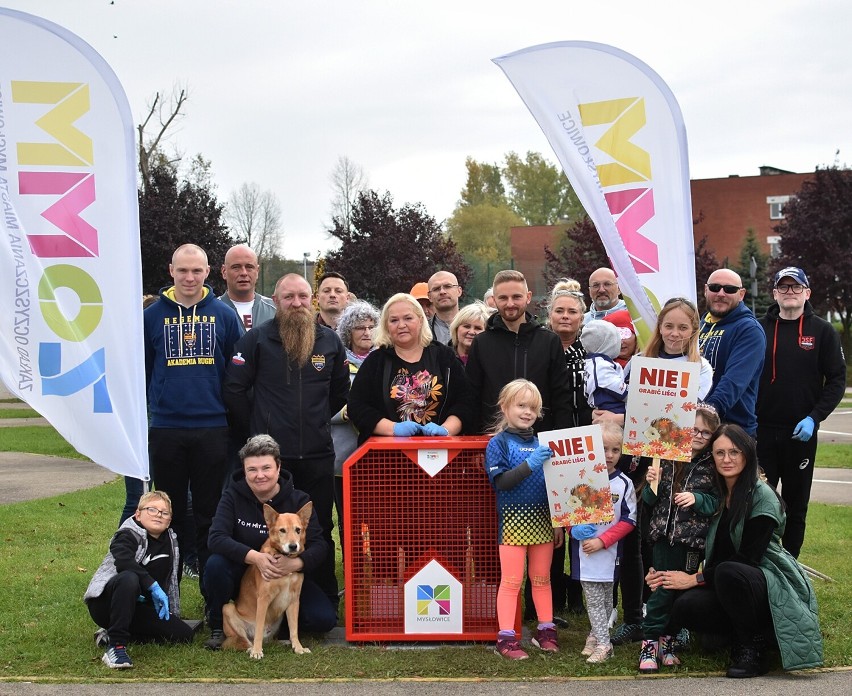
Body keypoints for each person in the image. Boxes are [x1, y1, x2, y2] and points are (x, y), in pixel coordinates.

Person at [224, 273, 350, 611]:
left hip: (317, 454)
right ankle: (255, 599)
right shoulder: (257, 340)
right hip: (272, 460)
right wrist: (255, 430)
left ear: (312, 301)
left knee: (320, 526)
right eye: (288, 297)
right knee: (266, 530)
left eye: (302, 297)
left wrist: (316, 419)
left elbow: (340, 391)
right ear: (276, 301)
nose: (296, 304)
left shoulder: (329, 342)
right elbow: (234, 389)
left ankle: (322, 597)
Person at [662, 424, 823, 678]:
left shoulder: (763, 497)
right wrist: (661, 572)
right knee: (685, 606)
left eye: (734, 452)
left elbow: (748, 558)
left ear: (747, 454)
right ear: (711, 457)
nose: (727, 459)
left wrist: (694, 579)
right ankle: (739, 631)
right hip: (727, 583)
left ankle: (753, 647)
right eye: (720, 453)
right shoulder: (716, 494)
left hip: (766, 583)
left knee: (730, 571)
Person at [465, 270, 574, 619]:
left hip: (544, 452)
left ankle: (543, 612)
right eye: (503, 298)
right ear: (493, 301)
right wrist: (473, 448)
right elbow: (471, 397)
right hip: (497, 450)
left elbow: (562, 398)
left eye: (517, 296)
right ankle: (495, 609)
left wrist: (563, 450)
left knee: (549, 532)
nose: (510, 304)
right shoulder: (482, 343)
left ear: (528, 298)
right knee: (494, 530)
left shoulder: (548, 341)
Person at [143, 243, 243, 598]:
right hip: (166, 427)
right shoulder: (152, 316)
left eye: (196, 271)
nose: (189, 277)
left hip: (212, 427)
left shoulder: (224, 315)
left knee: (209, 513)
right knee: (163, 514)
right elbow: (143, 369)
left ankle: (212, 596)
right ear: (171, 270)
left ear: (208, 272)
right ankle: (166, 594)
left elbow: (237, 371)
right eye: (183, 270)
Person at [203, 435, 337, 650]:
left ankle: (277, 625)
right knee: (215, 565)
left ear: (278, 467)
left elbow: (320, 545)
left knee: (322, 620)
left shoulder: (298, 500)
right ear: (244, 470)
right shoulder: (232, 497)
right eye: (252, 470)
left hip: (288, 573)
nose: (260, 475)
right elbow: (216, 538)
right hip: (242, 572)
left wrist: (296, 564)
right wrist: (256, 558)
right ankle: (219, 625)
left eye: (266, 468)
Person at [757, 267, 846, 558]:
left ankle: (791, 562)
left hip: (801, 433)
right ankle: (760, 560)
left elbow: (836, 380)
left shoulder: (823, 331)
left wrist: (814, 417)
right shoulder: (758, 329)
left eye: (796, 287)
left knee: (796, 504)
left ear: (807, 293)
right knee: (759, 500)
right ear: (774, 294)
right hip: (761, 432)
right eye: (783, 287)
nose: (790, 292)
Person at [637, 404, 720, 673]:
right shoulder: (667, 457)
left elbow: (715, 503)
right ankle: (648, 643)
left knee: (678, 594)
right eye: (693, 429)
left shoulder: (712, 466)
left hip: (691, 542)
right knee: (661, 591)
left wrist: (697, 498)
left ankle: (668, 642)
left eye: (705, 433)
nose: (698, 435)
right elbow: (649, 501)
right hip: (663, 538)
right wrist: (653, 480)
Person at [485, 379, 562, 659]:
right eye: (521, 405)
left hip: (543, 521)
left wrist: (557, 524)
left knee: (542, 579)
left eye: (533, 407)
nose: (527, 412)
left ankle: (545, 631)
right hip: (513, 525)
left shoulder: (545, 443)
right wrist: (531, 464)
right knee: (512, 581)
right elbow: (502, 482)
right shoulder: (498, 443)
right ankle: (505, 639)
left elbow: (556, 488)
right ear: (505, 407)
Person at [85, 491, 193, 669]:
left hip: (139, 607)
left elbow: (172, 580)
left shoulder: (172, 542)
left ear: (169, 520)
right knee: (129, 578)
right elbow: (123, 562)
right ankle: (117, 647)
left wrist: (173, 612)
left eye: (164, 513)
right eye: (152, 509)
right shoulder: (126, 535)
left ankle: (110, 634)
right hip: (106, 604)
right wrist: (152, 585)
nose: (158, 515)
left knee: (183, 635)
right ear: (138, 514)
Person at [347, 292, 473, 444]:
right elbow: (357, 406)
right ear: (386, 326)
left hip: (439, 452)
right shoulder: (376, 361)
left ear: (420, 320)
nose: (401, 325)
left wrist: (446, 430)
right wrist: (392, 428)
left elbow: (465, 401)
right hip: (387, 457)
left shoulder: (444, 356)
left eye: (408, 318)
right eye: (394, 320)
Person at [567, 422, 637, 664]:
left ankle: (595, 635)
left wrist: (603, 541)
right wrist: (573, 529)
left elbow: (630, 520)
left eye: (615, 450)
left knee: (607, 598)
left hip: (610, 552)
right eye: (603, 448)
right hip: (586, 553)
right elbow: (566, 512)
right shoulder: (578, 479)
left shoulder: (624, 483)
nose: (609, 455)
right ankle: (605, 645)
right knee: (594, 598)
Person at [330, 300, 380, 553]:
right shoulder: (336, 364)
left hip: (378, 455)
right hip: (344, 454)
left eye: (372, 327)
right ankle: (353, 564)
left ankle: (382, 567)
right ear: (348, 331)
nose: (367, 332)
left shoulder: (383, 362)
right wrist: (345, 413)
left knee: (379, 518)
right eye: (360, 327)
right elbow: (321, 405)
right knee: (347, 517)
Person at [698, 269, 766, 435]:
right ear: (706, 290)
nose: (721, 294)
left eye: (729, 289)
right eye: (715, 287)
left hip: (732, 432)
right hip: (695, 429)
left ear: (741, 294)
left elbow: (734, 382)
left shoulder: (749, 330)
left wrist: (707, 412)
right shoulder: (698, 326)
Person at [626, 297, 714, 400]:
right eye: (669, 326)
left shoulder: (701, 367)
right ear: (660, 328)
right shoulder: (639, 360)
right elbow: (623, 399)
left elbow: (689, 409)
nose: (675, 334)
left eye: (683, 328)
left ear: (693, 331)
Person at [547, 280, 592, 427]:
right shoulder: (537, 348)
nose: (565, 316)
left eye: (572, 312)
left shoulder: (591, 351)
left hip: (584, 431)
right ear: (550, 315)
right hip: (545, 430)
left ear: (582, 318)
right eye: (559, 311)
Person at [218, 243, 276, 330]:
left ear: (257, 271)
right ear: (224, 272)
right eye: (236, 267)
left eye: (249, 267)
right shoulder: (211, 310)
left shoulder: (276, 310)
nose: (244, 273)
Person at [581, 320, 628, 416]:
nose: (621, 342)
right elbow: (618, 388)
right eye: (617, 339)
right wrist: (638, 394)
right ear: (607, 343)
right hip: (612, 409)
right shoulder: (600, 366)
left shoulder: (596, 362)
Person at [449, 301, 491, 366]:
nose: (471, 332)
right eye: (466, 326)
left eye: (478, 328)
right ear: (456, 328)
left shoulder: (492, 360)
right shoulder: (443, 356)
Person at [427, 270, 463, 345]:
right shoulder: (422, 331)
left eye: (448, 286)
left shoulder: (475, 326)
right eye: (436, 289)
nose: (442, 292)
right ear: (429, 297)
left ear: (459, 291)